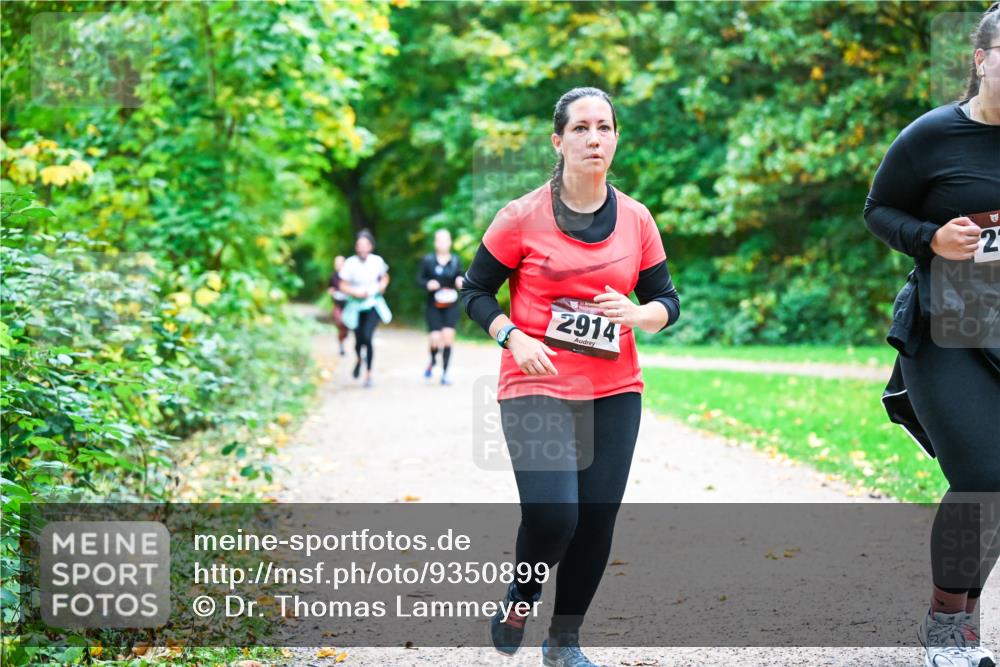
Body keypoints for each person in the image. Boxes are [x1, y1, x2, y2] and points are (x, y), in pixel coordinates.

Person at [460, 87, 680, 666]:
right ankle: (521, 595)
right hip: (535, 380)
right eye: (580, 128)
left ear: (616, 139)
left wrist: (639, 315)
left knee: (596, 519)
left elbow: (666, 301)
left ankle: (564, 642)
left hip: (614, 387)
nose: (593, 138)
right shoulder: (519, 217)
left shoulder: (636, 219)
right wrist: (513, 334)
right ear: (558, 141)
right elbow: (475, 291)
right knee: (555, 513)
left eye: (604, 127)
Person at [864, 5, 1000, 667]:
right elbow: (878, 210)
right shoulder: (932, 136)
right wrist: (932, 238)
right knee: (984, 473)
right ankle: (949, 629)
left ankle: (960, 622)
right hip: (947, 328)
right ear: (981, 58)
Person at [338, 230, 391, 388]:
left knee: (368, 337)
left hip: (373, 303)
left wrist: (381, 287)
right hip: (355, 305)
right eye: (359, 245)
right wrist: (355, 292)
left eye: (365, 245)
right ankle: (359, 359)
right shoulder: (350, 263)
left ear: (371, 246)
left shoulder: (377, 261)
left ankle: (369, 373)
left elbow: (385, 277)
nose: (361, 249)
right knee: (359, 339)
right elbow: (342, 284)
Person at [418, 229, 465, 385]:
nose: (443, 243)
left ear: (450, 242)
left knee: (448, 337)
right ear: (435, 242)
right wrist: (428, 284)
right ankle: (432, 360)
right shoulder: (428, 260)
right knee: (435, 339)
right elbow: (419, 279)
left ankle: (445, 373)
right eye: (439, 240)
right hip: (433, 306)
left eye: (446, 240)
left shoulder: (456, 260)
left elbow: (461, 275)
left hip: (451, 305)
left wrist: (460, 281)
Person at [328, 255, 349, 356]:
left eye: (340, 264)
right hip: (337, 304)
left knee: (346, 326)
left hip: (348, 305)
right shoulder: (333, 276)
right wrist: (332, 292)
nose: (338, 266)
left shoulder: (349, 276)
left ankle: (343, 340)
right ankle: (341, 346)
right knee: (339, 324)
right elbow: (330, 288)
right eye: (337, 264)